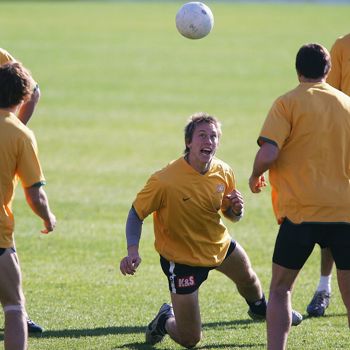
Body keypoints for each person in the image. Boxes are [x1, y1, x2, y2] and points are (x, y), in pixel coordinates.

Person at [120, 113, 302, 348]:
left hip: (218, 245)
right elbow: (136, 214)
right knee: (190, 339)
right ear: (189, 142)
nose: (209, 141)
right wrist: (132, 250)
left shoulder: (223, 171)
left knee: (249, 279)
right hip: (182, 260)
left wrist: (236, 209)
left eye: (213, 136)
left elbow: (231, 216)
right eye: (202, 136)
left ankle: (261, 310)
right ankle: (165, 319)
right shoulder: (165, 180)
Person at [249, 43, 350, 350]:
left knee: (280, 290)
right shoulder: (347, 104)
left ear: (297, 70)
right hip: (344, 214)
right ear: (328, 70)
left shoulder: (287, 103)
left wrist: (256, 175)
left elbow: (269, 152)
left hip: (300, 214)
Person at [0, 61, 56, 350]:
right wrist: (48, 218)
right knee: (14, 308)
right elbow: (35, 195)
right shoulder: (21, 134)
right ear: (23, 97)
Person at [307, 33, 350, 318]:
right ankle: (324, 287)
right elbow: (327, 95)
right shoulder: (343, 46)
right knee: (334, 216)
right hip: (343, 143)